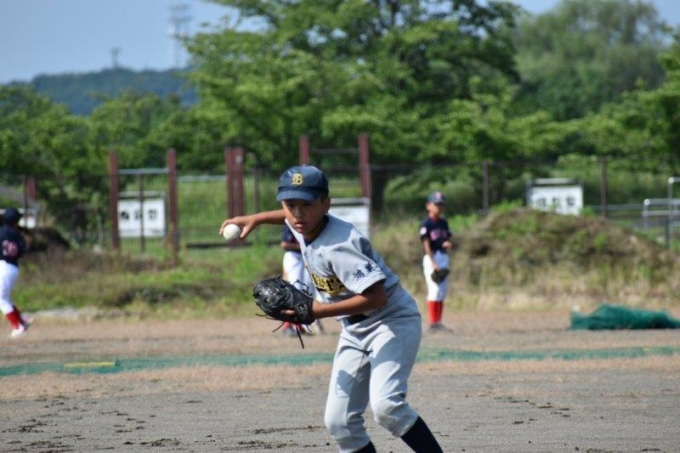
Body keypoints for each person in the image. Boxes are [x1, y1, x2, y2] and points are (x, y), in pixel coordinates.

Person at [220, 165, 443, 453]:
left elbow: (377, 297)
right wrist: (256, 219)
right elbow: (289, 218)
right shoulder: (305, 224)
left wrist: (315, 310)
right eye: (290, 205)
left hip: (391, 321)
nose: (297, 214)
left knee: (387, 407)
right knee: (340, 423)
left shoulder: (340, 245)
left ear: (326, 204)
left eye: (306, 205)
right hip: (354, 329)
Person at [279, 224, 324, 336]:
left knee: (307, 291)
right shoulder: (292, 223)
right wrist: (304, 247)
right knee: (294, 290)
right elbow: (284, 244)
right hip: (294, 256)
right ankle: (288, 325)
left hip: (307, 257)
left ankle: (301, 325)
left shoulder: (313, 223)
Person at [419, 191, 454, 332]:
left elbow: (447, 238)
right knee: (434, 289)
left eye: (441, 204)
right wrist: (432, 262)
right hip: (432, 257)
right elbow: (426, 243)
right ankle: (433, 323)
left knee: (442, 291)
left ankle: (438, 322)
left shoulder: (444, 223)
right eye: (436, 204)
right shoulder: (426, 224)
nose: (439, 207)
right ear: (428, 205)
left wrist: (448, 243)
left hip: (443, 256)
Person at [1, 208, 33, 338]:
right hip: (13, 268)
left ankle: (18, 326)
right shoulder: (18, 234)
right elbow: (23, 252)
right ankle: (22, 320)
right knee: (5, 298)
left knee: (2, 300)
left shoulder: (1, 232)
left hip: (3, 267)